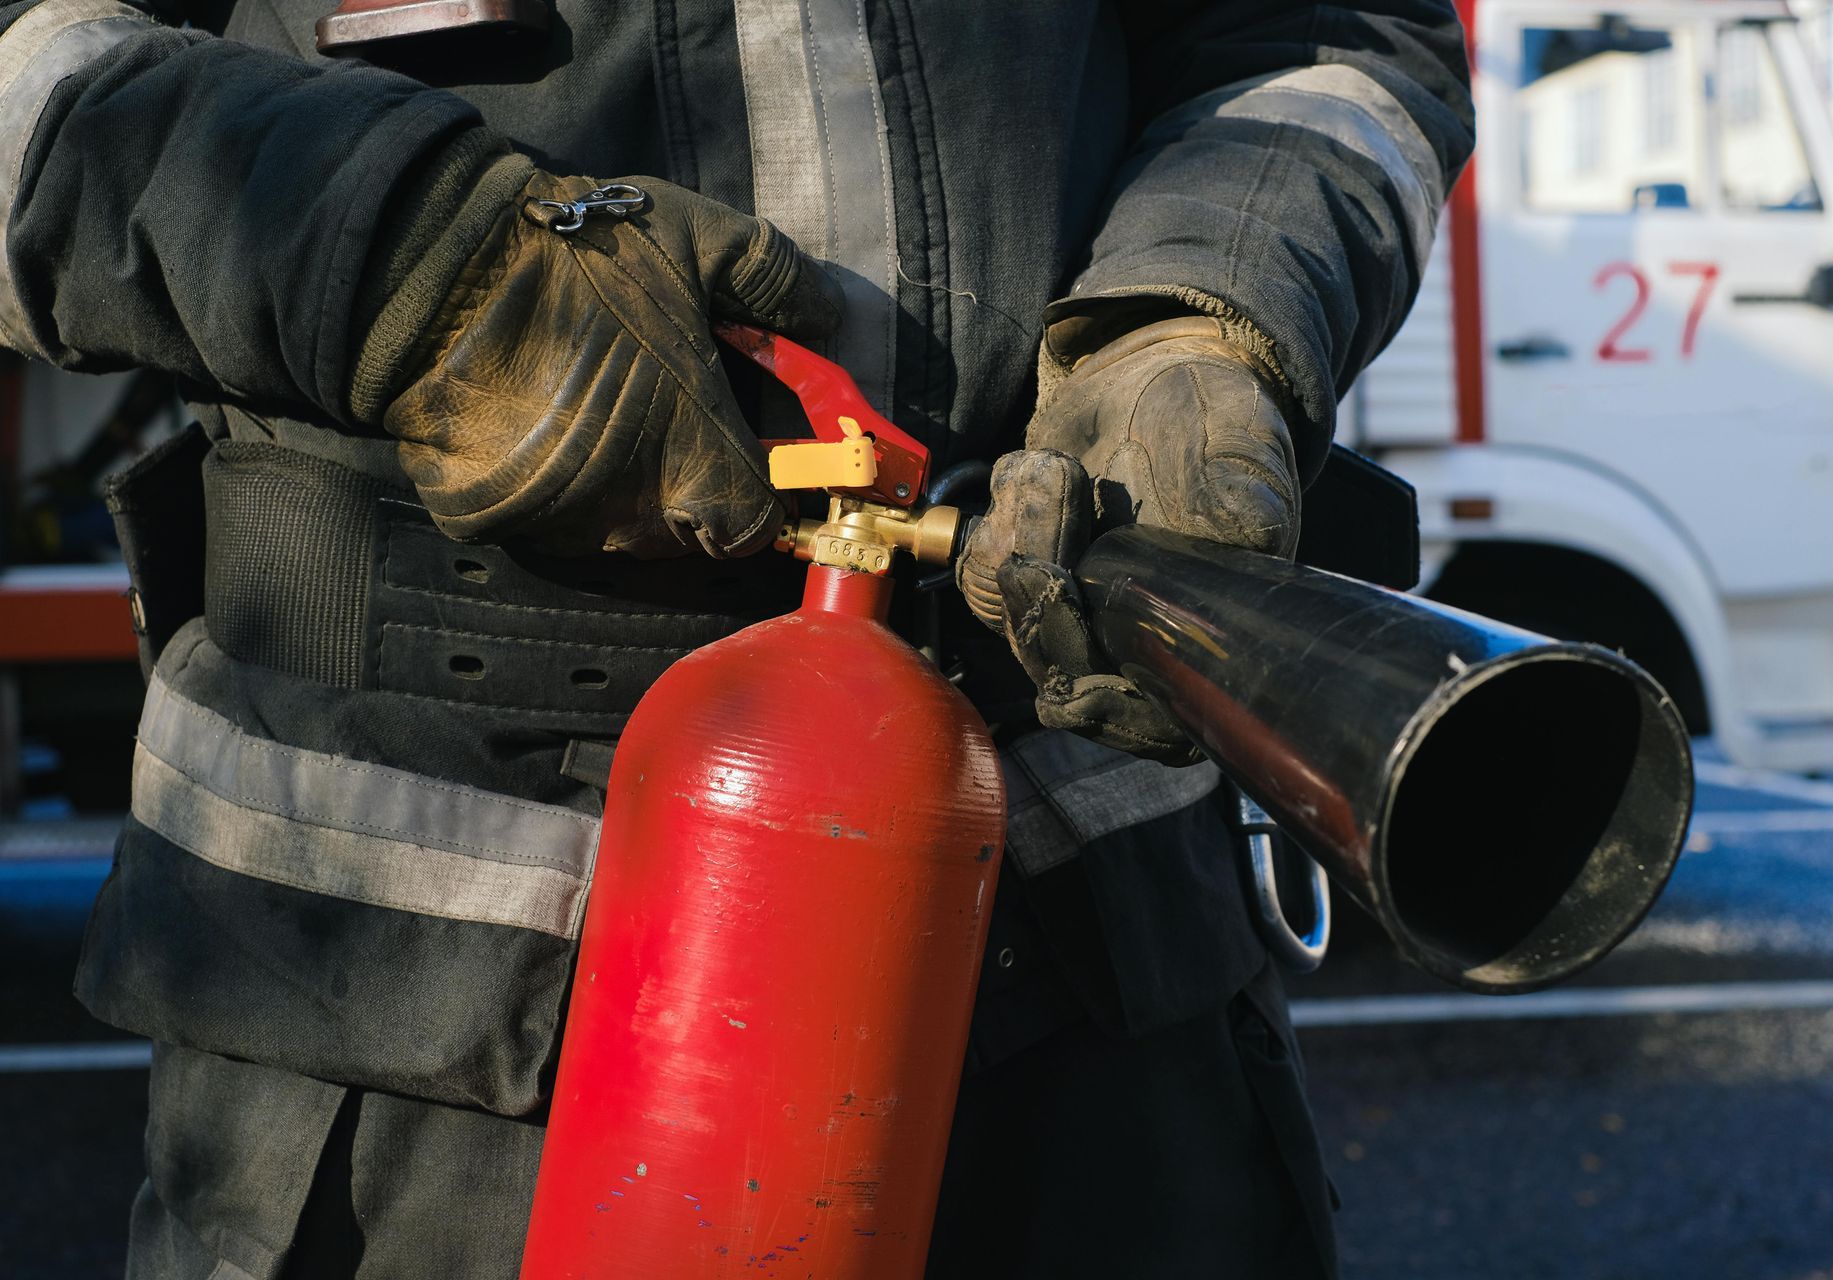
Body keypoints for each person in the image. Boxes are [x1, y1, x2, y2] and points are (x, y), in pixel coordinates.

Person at [0, 1, 1471, 1275]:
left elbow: (1324, 36)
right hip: (419, 1069)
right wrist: (405, 259)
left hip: (1103, 1027)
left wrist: (1207, 318)